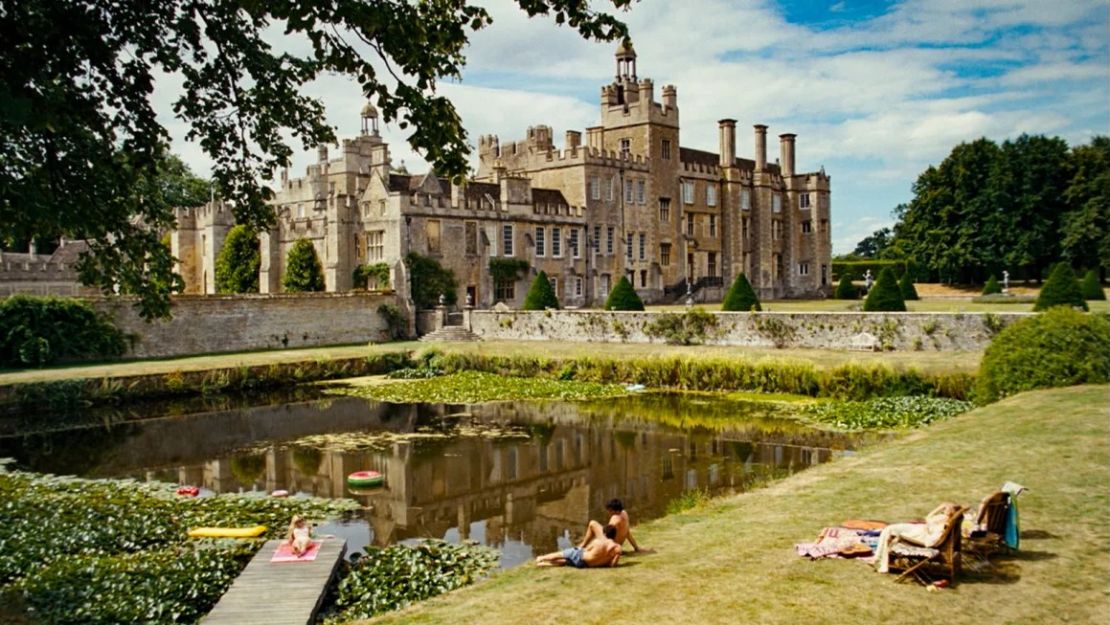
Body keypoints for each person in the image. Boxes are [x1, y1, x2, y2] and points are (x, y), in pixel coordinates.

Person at [873, 502, 962, 573]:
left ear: (951, 512)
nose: (944, 509)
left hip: (920, 536)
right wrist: (939, 507)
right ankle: (878, 558)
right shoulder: (943, 517)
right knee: (889, 529)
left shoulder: (945, 525)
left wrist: (927, 530)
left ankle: (880, 561)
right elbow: (927, 518)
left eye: (946, 508)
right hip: (918, 529)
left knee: (890, 531)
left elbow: (930, 542)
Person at [579, 498, 651, 553]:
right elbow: (627, 533)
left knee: (592, 523)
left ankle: (581, 547)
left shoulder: (615, 519)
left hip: (611, 544)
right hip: (618, 543)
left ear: (615, 511)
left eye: (610, 510)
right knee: (597, 527)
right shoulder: (624, 514)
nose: (608, 512)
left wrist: (593, 545)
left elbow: (607, 535)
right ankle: (583, 546)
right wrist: (636, 547)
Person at [536, 524, 621, 568]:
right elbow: (612, 565)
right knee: (566, 561)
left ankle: (542, 558)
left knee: (561, 554)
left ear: (605, 533)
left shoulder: (598, 542)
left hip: (581, 557)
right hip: (585, 565)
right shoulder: (617, 548)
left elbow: (586, 549)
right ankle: (545, 564)